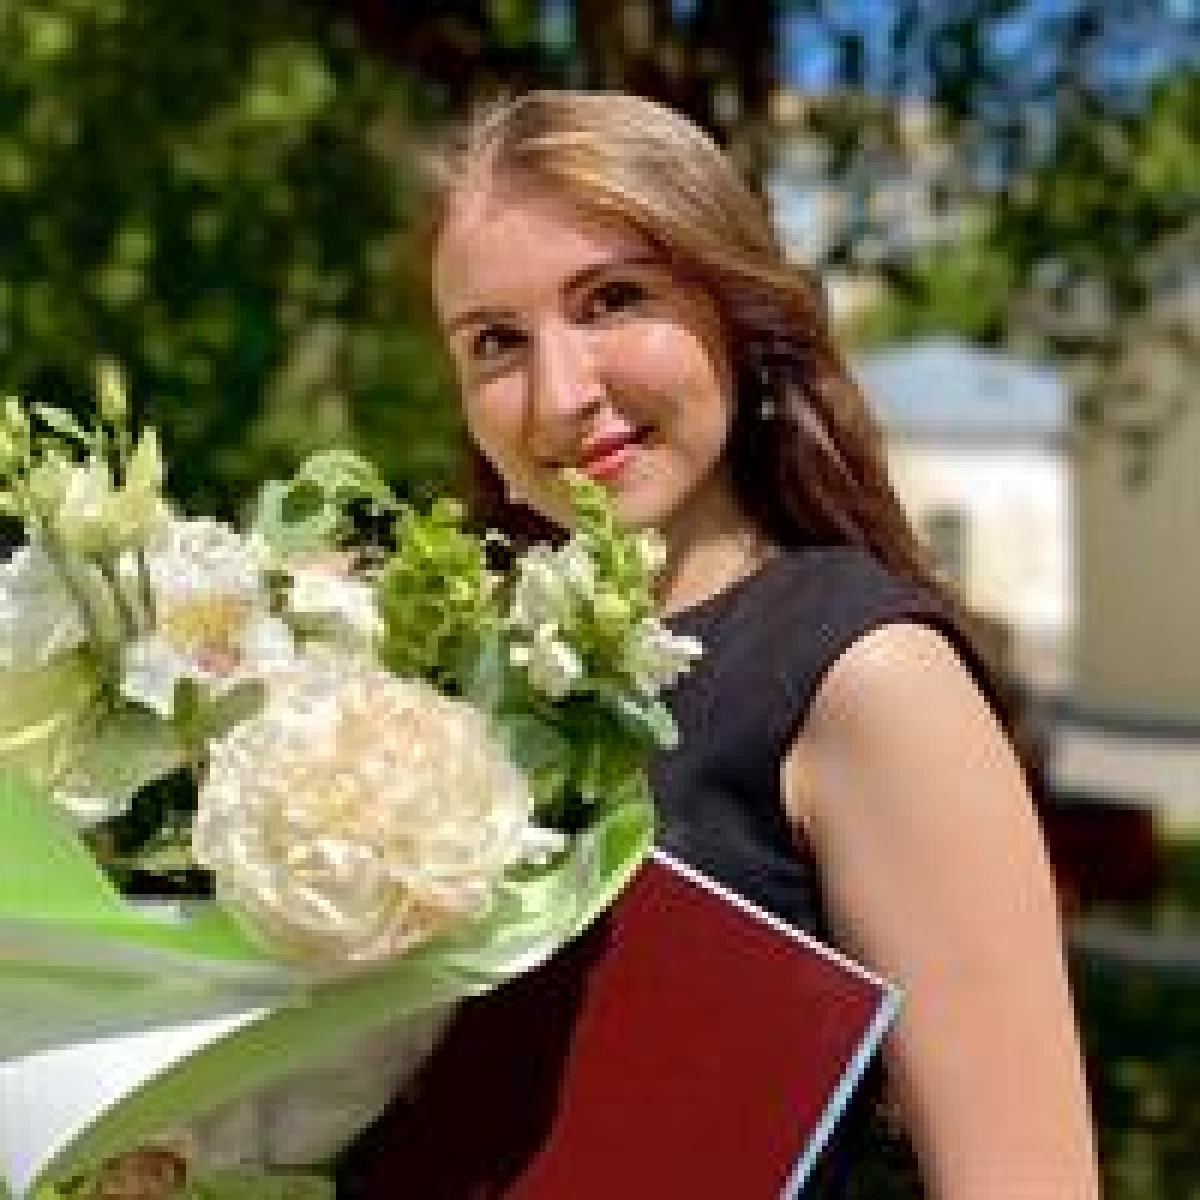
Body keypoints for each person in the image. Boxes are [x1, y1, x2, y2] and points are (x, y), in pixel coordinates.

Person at [424, 90, 1100, 1197]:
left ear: (735, 311)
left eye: (614, 299)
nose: (560, 393)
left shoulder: (868, 678)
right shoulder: (442, 687)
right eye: (496, 341)